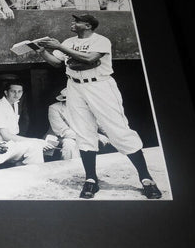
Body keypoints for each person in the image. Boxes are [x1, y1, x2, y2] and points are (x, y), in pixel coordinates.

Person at [36, 14, 162, 199]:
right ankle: (91, 180)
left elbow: (89, 59)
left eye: (77, 21)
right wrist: (41, 51)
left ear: (88, 25)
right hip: (74, 85)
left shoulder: (101, 40)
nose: (73, 23)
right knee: (83, 132)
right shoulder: (68, 41)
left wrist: (60, 47)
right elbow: (56, 62)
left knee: (119, 131)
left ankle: (146, 178)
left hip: (99, 85)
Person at [46, 88, 110, 161]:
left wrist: (112, 137)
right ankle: (72, 169)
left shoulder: (87, 106)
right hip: (61, 137)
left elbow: (100, 124)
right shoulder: (54, 108)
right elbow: (63, 131)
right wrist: (93, 136)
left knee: (106, 141)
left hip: (85, 136)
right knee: (70, 144)